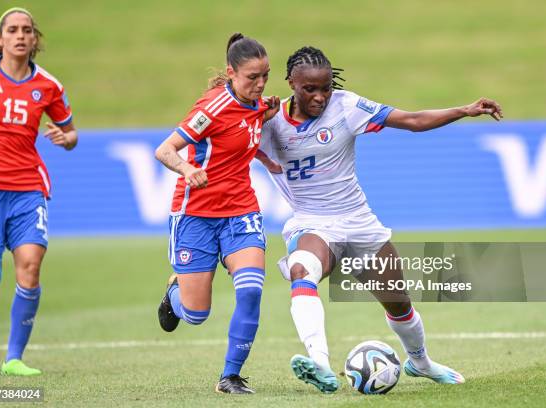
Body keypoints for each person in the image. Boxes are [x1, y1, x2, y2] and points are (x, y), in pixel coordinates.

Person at [256, 46, 503, 393]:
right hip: (311, 222)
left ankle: (421, 363)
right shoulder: (267, 122)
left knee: (399, 303)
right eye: (309, 89)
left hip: (359, 221)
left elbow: (413, 121)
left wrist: (464, 109)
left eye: (325, 87)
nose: (319, 96)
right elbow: (221, 143)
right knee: (302, 270)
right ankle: (320, 363)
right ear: (290, 84)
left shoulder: (346, 106)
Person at [155, 33, 280, 394]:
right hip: (196, 213)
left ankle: (230, 376)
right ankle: (175, 291)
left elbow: (243, 137)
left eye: (265, 76)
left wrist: (267, 150)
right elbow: (164, 150)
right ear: (231, 73)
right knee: (195, 314)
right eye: (252, 77)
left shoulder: (257, 104)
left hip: (240, 209)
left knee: (252, 289)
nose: (260, 85)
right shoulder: (211, 109)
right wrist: (186, 168)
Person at [0, 8, 77, 376]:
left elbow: (71, 132)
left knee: (30, 267)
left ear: (34, 40)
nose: (19, 35)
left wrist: (66, 139)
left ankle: (13, 359)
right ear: (0, 39)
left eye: (26, 30)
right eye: (12, 30)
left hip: (28, 188)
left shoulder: (48, 86)